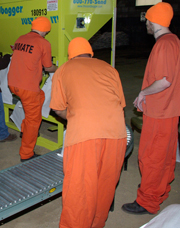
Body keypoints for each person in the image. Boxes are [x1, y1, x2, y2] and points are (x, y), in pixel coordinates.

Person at [50, 37, 127, 228]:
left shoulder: (64, 70)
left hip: (84, 136)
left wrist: (77, 115)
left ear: (70, 55)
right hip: (116, 133)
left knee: (79, 189)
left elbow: (58, 109)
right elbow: (120, 104)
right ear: (90, 52)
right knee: (105, 185)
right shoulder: (109, 68)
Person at [122, 2, 180, 215]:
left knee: (151, 157)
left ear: (152, 21)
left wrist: (143, 93)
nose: (146, 23)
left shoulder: (164, 45)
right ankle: (161, 191)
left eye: (147, 19)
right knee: (165, 157)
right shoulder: (175, 41)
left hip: (159, 112)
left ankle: (147, 201)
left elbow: (164, 81)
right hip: (170, 111)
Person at [7, 16, 57, 162]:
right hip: (27, 88)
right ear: (46, 30)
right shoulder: (43, 43)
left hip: (13, 84)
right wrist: (60, 68)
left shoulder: (20, 38)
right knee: (33, 121)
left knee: (40, 96)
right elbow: (48, 67)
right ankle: (26, 154)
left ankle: (25, 130)